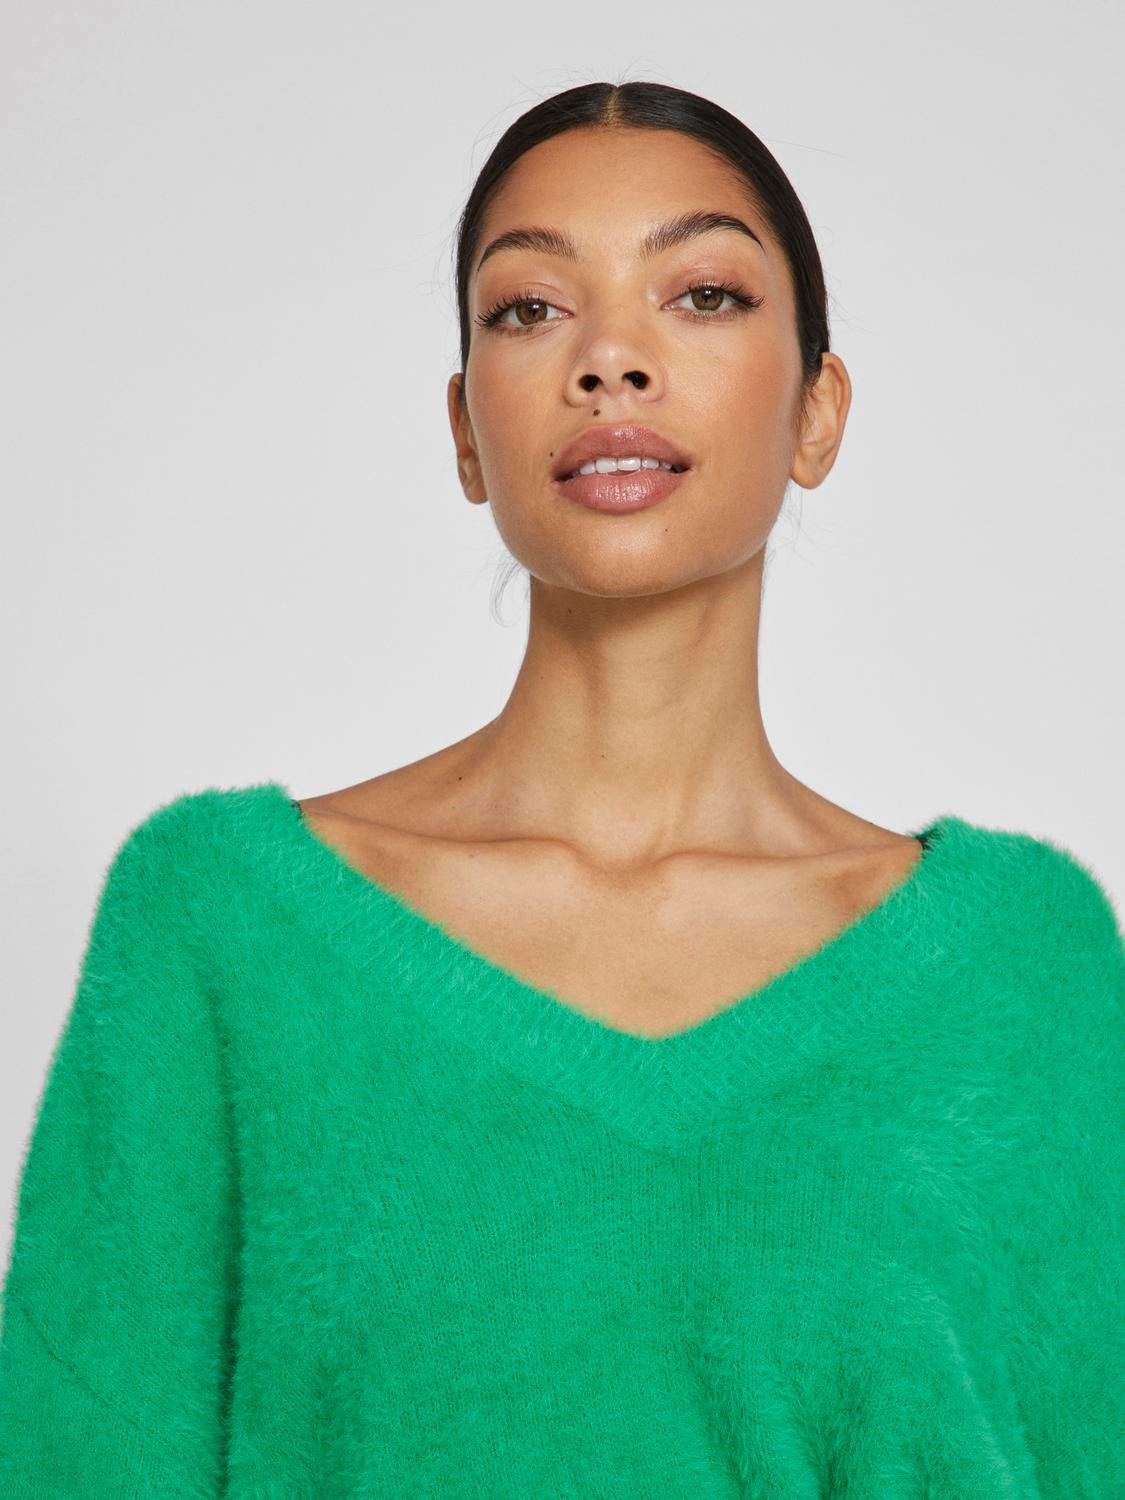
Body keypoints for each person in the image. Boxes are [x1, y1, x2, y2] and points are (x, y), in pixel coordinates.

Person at [1, 79, 1121, 1497]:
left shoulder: (1022, 967)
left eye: (701, 295)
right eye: (530, 308)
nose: (610, 360)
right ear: (467, 430)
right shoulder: (222, 929)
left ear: (817, 413)